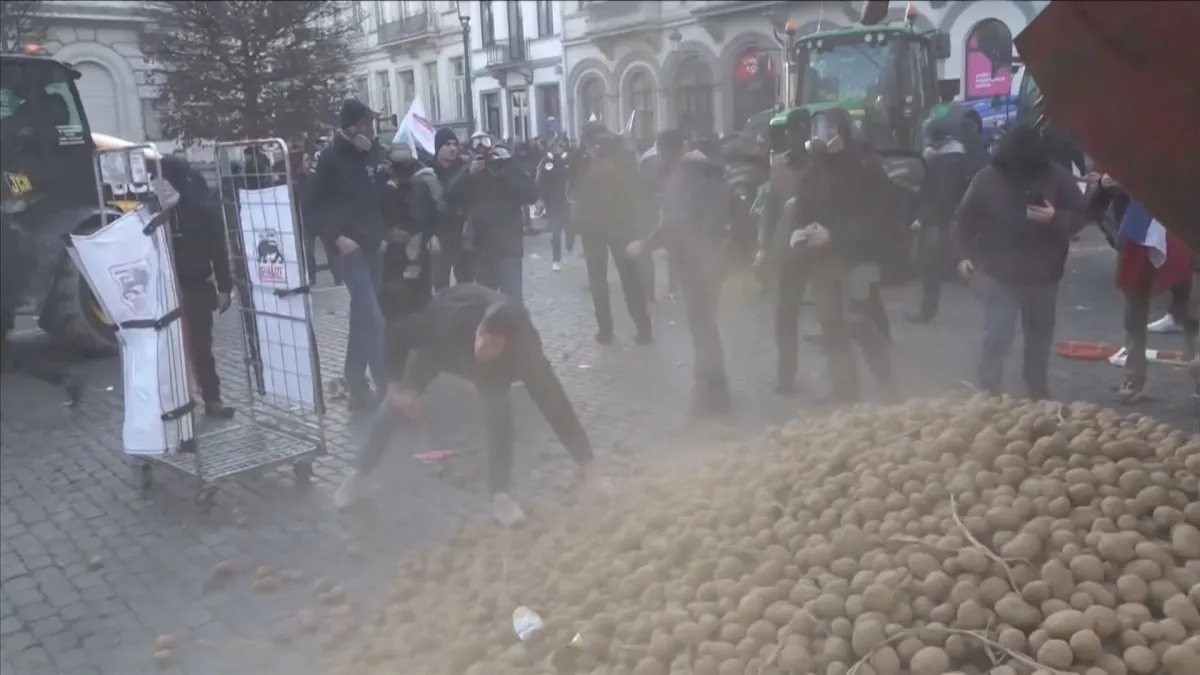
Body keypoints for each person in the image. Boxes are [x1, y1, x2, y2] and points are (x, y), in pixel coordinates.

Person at [334, 284, 612, 525]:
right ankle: (357, 474)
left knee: (499, 415)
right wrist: (396, 389)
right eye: (482, 335)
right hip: (442, 348)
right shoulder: (448, 322)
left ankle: (500, 496)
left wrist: (590, 467)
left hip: (492, 372)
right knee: (392, 406)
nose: (482, 346)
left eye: (492, 343)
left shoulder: (527, 354)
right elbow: (396, 335)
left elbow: (556, 405)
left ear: (510, 345)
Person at [956, 123, 1088, 399]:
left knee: (1039, 337)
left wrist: (1055, 218)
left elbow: (1080, 216)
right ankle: (988, 388)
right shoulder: (987, 178)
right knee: (998, 333)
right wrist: (963, 255)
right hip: (999, 271)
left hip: (1044, 273)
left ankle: (1036, 388)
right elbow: (965, 219)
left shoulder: (1057, 177)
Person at [787, 108, 896, 403]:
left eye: (830, 129)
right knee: (830, 323)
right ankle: (844, 388)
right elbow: (803, 207)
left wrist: (834, 234)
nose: (823, 136)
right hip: (822, 260)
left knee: (857, 319)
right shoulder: (814, 170)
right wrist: (800, 231)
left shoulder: (867, 168)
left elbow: (877, 218)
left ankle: (884, 377)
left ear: (844, 132)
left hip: (859, 258)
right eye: (819, 129)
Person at [627, 129, 733, 417]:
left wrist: (646, 244)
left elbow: (675, 223)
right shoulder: (708, 170)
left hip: (696, 262)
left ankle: (710, 394)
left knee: (702, 329)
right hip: (714, 259)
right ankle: (715, 390)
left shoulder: (683, 178)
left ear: (665, 154)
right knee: (706, 326)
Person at [305, 98, 391, 411]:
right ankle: (386, 388)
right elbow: (313, 206)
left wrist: (383, 234)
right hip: (348, 250)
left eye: (372, 124)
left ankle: (356, 385)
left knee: (362, 318)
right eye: (365, 124)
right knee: (374, 319)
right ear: (351, 127)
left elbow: (379, 197)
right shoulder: (330, 159)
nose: (370, 130)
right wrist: (335, 237)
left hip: (373, 246)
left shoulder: (373, 154)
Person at [162, 155, 236, 419]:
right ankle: (177, 404)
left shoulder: (200, 210)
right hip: (165, 288)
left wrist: (224, 287)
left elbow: (218, 250)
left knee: (200, 347)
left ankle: (211, 398)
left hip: (193, 287)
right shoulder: (155, 211)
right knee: (176, 350)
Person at [577, 134, 652, 345]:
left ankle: (637, 328)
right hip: (601, 230)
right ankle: (610, 329)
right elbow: (579, 193)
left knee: (627, 281)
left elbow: (636, 192)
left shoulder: (619, 165)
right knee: (604, 282)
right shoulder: (587, 164)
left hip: (617, 228)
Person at [445, 132, 539, 302]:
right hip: (482, 248)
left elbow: (531, 194)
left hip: (509, 246)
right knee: (487, 301)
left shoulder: (509, 165)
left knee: (512, 298)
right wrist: (468, 175)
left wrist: (504, 172)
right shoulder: (470, 170)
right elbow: (449, 196)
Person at [908, 116, 977, 323]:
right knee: (956, 257)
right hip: (961, 217)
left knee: (927, 262)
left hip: (938, 220)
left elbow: (940, 195)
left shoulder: (938, 162)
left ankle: (927, 311)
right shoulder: (962, 156)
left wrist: (923, 218)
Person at [429, 128, 473, 289]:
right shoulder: (430, 171)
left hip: (462, 232)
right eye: (448, 144)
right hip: (440, 233)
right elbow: (425, 206)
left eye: (455, 144)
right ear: (438, 147)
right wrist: (431, 234)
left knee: (466, 281)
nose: (453, 148)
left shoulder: (464, 168)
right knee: (441, 282)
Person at [536, 136, 574, 270]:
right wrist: (541, 198)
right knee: (555, 230)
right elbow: (541, 181)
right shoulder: (546, 161)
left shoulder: (569, 159)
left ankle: (570, 243)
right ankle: (556, 259)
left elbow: (575, 177)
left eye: (560, 145)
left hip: (567, 199)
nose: (557, 148)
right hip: (552, 200)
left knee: (570, 226)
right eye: (555, 146)